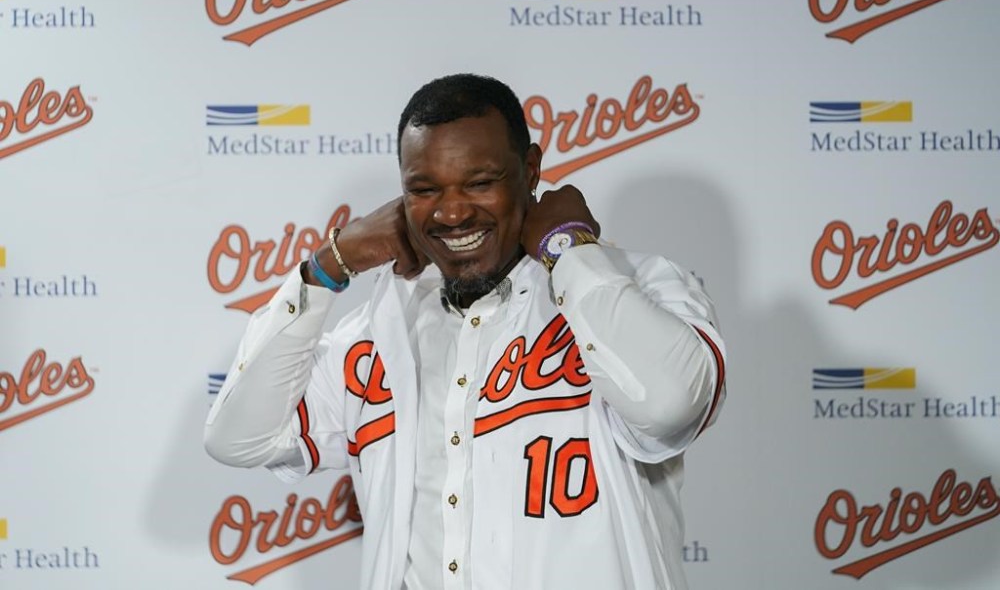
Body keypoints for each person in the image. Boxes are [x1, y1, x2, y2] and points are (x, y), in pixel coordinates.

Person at [204, 73, 726, 590]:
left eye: (479, 183)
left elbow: (669, 406)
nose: (452, 212)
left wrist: (571, 253)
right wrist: (325, 269)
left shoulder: (639, 286)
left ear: (530, 170)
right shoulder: (379, 333)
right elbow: (239, 438)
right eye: (424, 189)